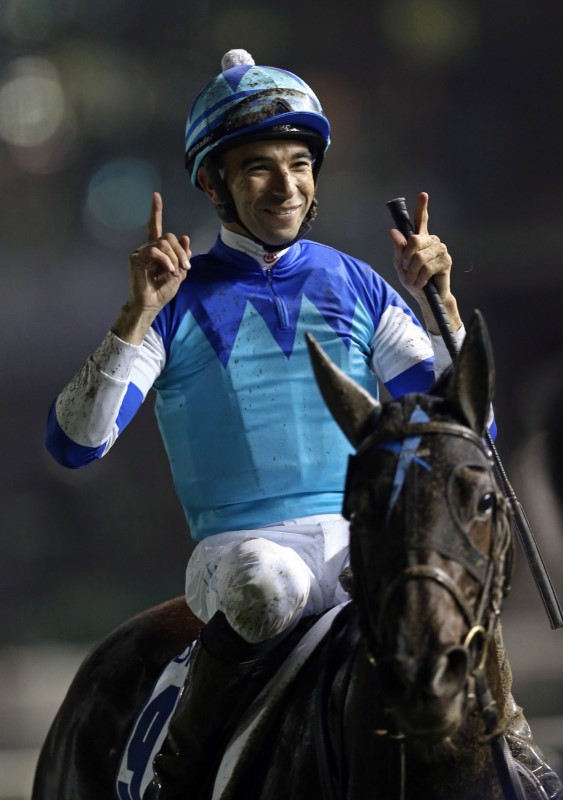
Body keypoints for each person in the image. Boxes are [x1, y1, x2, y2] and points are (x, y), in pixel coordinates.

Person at [46, 49, 561, 800]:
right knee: (267, 587)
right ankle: (179, 769)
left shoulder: (356, 283)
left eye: (298, 163)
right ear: (211, 181)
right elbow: (75, 444)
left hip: (358, 535)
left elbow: (467, 426)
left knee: (438, 585)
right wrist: (136, 316)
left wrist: (439, 302)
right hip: (238, 551)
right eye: (257, 166)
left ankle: (514, 748)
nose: (285, 185)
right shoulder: (177, 302)